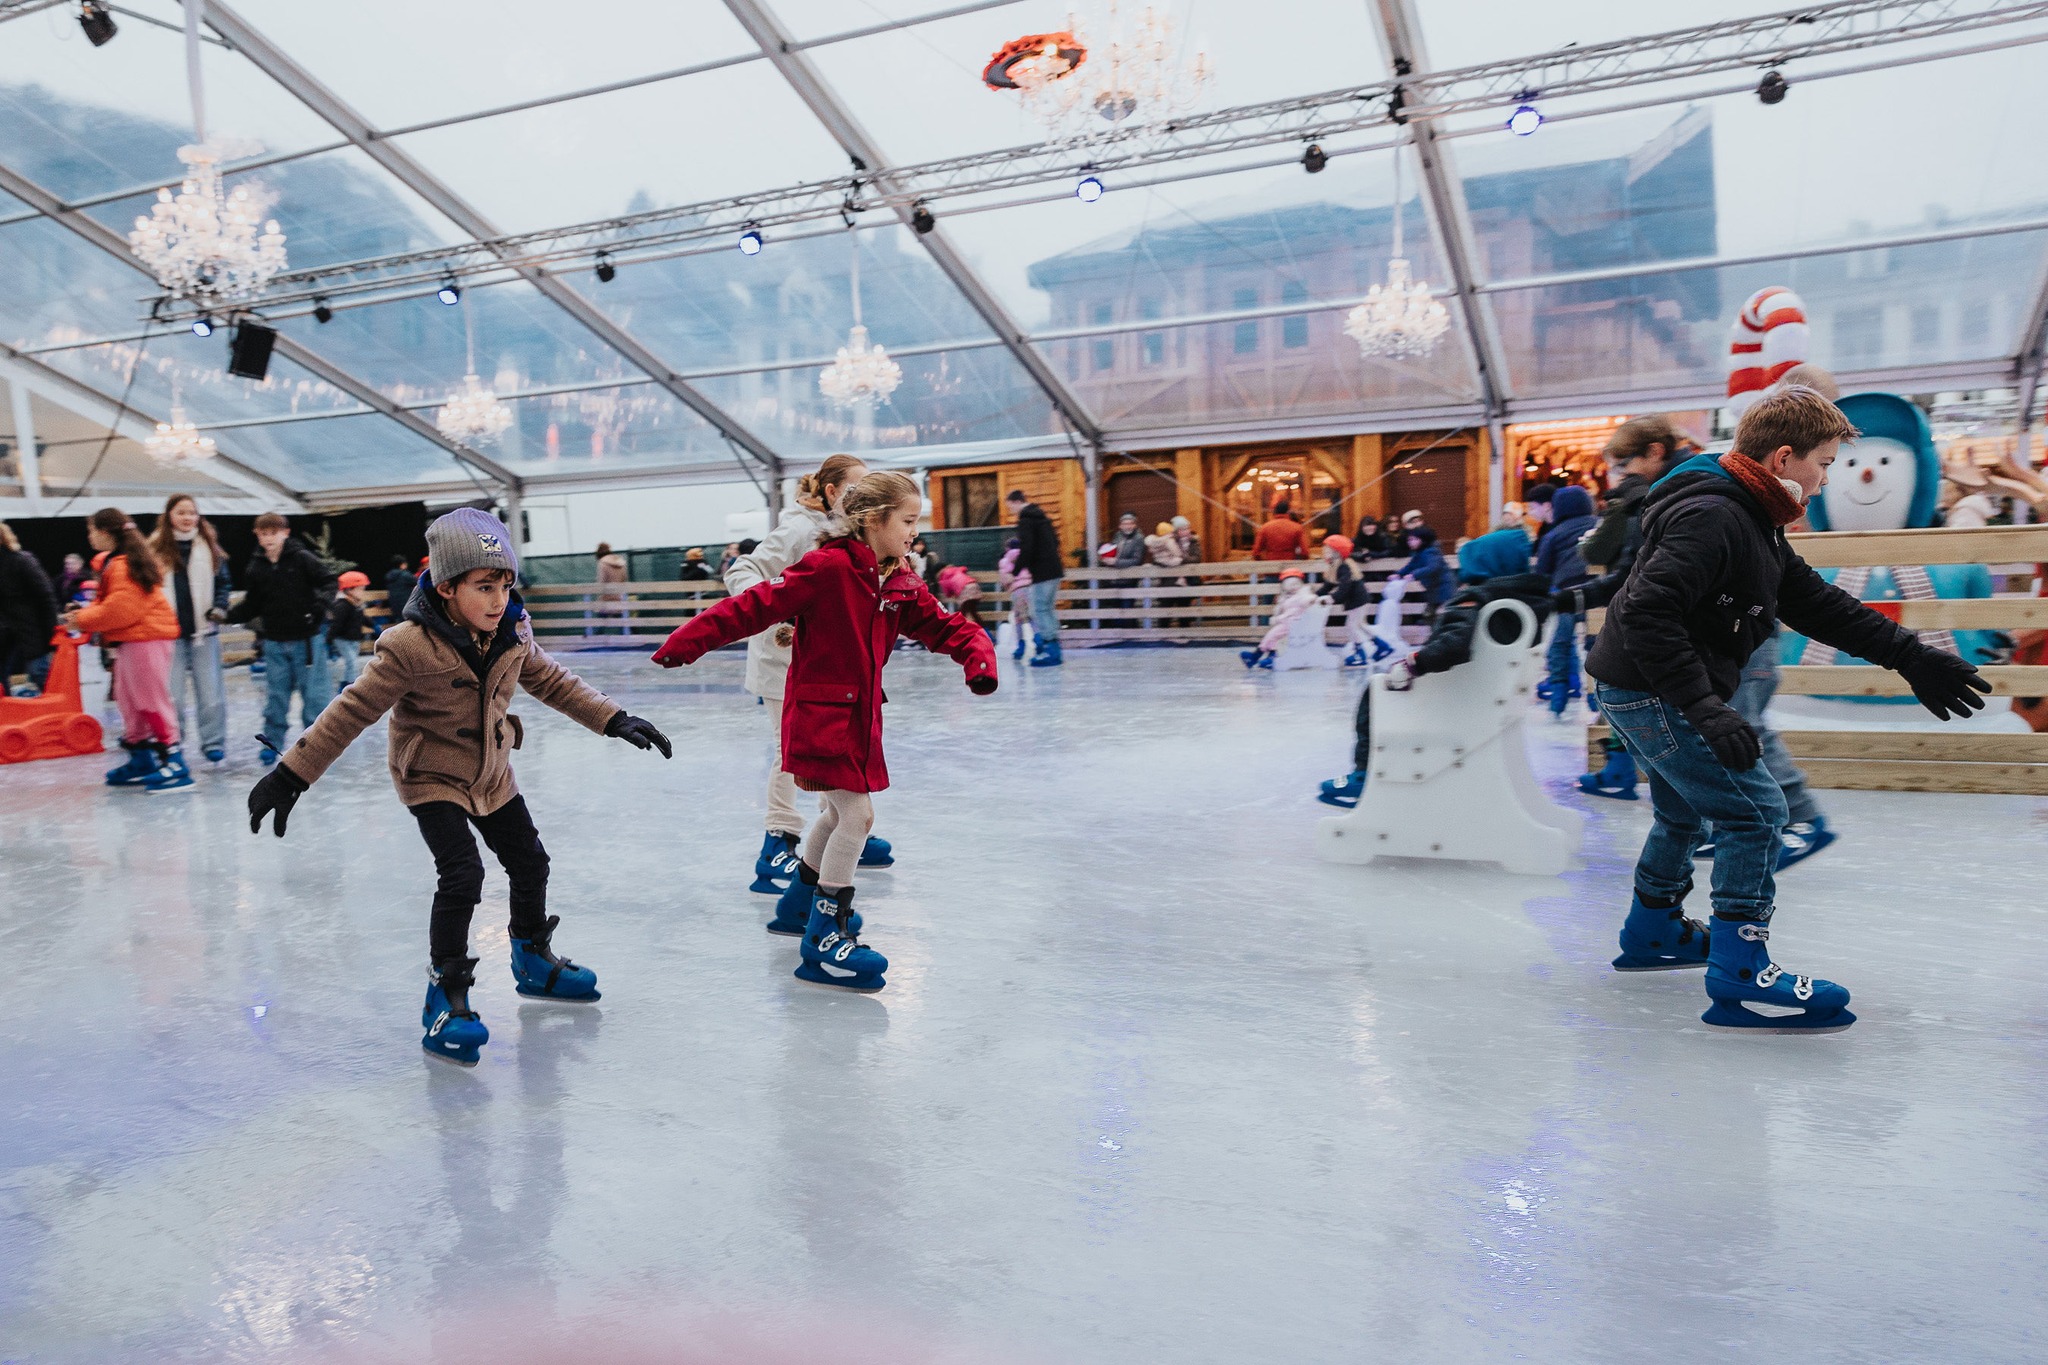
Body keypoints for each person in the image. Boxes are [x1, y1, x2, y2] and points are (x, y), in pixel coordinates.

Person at [1585, 386, 1989, 1032]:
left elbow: (1813, 602)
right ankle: (1740, 973)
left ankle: (1653, 927)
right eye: (1823, 462)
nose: (1827, 479)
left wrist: (1909, 656)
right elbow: (1646, 612)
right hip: (1653, 687)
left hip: (1640, 684)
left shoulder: (1753, 512)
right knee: (1755, 814)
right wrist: (1706, 710)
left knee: (1685, 809)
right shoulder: (1718, 516)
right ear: (1781, 457)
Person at [244, 508, 672, 1066]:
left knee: (530, 862)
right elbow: (352, 710)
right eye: (484, 587)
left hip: (492, 773)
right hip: (431, 775)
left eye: (505, 586)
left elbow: (551, 679)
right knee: (463, 874)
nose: (498, 600)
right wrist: (291, 774)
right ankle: (445, 993)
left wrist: (613, 718)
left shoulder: (513, 630)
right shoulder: (408, 646)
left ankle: (533, 960)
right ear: (447, 587)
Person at [654, 472, 996, 993]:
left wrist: (978, 659)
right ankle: (825, 934)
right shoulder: (829, 567)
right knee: (857, 817)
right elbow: (752, 606)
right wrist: (686, 642)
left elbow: (943, 626)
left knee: (838, 813)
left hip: (859, 718)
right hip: (821, 719)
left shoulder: (896, 577)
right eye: (907, 521)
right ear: (874, 519)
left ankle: (798, 905)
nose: (913, 532)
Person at [725, 454, 898, 906]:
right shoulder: (799, 531)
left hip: (821, 670)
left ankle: (839, 822)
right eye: (855, 489)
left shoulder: (853, 540)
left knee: (828, 749)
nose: (864, 498)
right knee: (793, 752)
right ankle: (778, 842)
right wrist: (773, 608)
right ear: (830, 492)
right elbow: (741, 571)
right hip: (782, 664)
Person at [1318, 526, 1547, 807]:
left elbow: (1453, 644)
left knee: (1376, 690)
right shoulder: (1528, 601)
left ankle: (1364, 774)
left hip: (1458, 700)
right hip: (1491, 697)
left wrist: (1414, 663)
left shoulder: (1476, 599)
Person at [1563, 417, 1683, 799]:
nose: (1620, 474)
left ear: (1655, 452)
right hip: (1654, 615)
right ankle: (1627, 775)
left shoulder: (1658, 495)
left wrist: (1621, 502)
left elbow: (1599, 551)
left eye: (1624, 463)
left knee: (1628, 691)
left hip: (1665, 621)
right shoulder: (1657, 492)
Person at [66, 508, 190, 792]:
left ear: (105, 532)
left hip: (146, 639)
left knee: (151, 700)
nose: (89, 536)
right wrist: (84, 613)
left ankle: (174, 760)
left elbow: (123, 610)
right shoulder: (116, 563)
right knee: (129, 702)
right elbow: (114, 606)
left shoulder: (123, 566)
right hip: (131, 640)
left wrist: (83, 619)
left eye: (91, 530)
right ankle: (142, 757)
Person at [227, 513, 338, 765]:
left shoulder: (301, 559)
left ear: (285, 533)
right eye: (263, 533)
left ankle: (317, 743)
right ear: (257, 535)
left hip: (306, 640)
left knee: (314, 695)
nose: (268, 538)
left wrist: (320, 605)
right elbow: (253, 603)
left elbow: (329, 580)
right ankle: (273, 741)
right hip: (275, 641)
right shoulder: (256, 567)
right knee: (276, 694)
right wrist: (229, 615)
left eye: (273, 533)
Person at [146, 494, 232, 762]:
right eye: (181, 512)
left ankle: (213, 742)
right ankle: (173, 741)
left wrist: (219, 607)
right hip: (167, 633)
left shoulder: (209, 547)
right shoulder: (154, 550)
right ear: (169, 515)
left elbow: (223, 584)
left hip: (203, 631)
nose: (187, 518)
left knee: (211, 693)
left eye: (192, 513)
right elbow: (146, 588)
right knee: (171, 695)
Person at [1534, 484, 1598, 717]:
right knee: (1595, 644)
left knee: (1560, 645)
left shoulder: (1553, 534)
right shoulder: (1597, 525)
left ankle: (1558, 695)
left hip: (1566, 597)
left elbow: (1542, 571)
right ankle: (1595, 696)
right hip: (1596, 593)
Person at [0, 521, 58, 697]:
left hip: (33, 635)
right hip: (8, 636)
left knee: (42, 677)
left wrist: (52, 634)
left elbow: (46, 598)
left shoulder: (22, 561)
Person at [1008, 488, 1065, 667]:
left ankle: (1051, 651)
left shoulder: (1026, 520)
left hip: (1043, 572)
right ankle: (1054, 648)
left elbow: (1027, 549)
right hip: (1054, 569)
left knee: (1039, 610)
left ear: (1017, 502)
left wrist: (1014, 573)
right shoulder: (1042, 517)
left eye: (1011, 508)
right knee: (1047, 609)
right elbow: (1056, 542)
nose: (1012, 512)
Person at [1239, 569, 1324, 669]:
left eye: (1296, 584)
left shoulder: (1301, 595)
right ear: (1285, 586)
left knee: (1275, 634)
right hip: (1288, 624)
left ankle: (1268, 656)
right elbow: (1282, 610)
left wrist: (1312, 599)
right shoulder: (1286, 597)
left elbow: (1304, 601)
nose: (1294, 587)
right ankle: (1259, 655)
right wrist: (1277, 615)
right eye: (1290, 585)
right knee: (1272, 634)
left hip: (1297, 624)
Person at [1393, 525, 1450, 617]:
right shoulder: (1418, 553)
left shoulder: (1431, 552)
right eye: (1409, 540)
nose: (1410, 542)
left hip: (1443, 589)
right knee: (1430, 616)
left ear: (1422, 540)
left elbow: (1433, 567)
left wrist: (1414, 574)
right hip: (1433, 591)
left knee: (1442, 616)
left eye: (1413, 539)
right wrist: (1398, 574)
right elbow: (1410, 566)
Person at [328, 571, 372, 690]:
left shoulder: (357, 604)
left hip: (354, 639)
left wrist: (374, 626)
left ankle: (345, 685)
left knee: (352, 664)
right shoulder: (342, 605)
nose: (363, 592)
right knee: (352, 663)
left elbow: (363, 618)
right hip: (342, 639)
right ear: (349, 590)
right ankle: (351, 687)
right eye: (360, 589)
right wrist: (329, 641)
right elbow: (336, 624)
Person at [997, 536, 1033, 660]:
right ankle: (1039, 641)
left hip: (1017, 591)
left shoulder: (1005, 560)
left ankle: (1021, 646)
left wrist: (1007, 585)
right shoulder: (1027, 556)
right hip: (1031, 588)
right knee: (1033, 616)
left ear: (1008, 548)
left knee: (1018, 619)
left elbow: (1005, 579)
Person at [594, 541, 629, 636]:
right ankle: (626, 642)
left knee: (600, 622)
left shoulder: (602, 563)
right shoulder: (621, 563)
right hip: (619, 598)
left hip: (606, 598)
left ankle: (595, 641)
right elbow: (624, 579)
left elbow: (601, 582)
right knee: (622, 623)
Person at [383, 555, 416, 627]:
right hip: (405, 603)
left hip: (393, 604)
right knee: (409, 624)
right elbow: (418, 583)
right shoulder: (405, 575)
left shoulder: (389, 575)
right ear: (402, 564)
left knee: (400, 623)